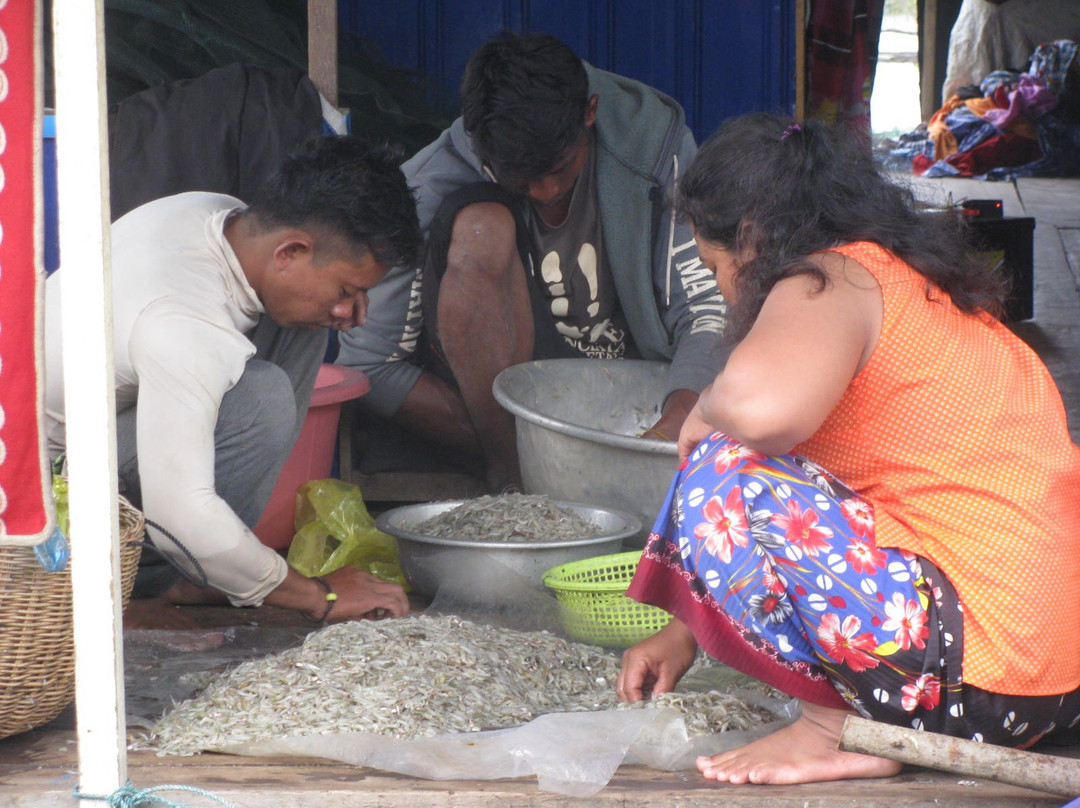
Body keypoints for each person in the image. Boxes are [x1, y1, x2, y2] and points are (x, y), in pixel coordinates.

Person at [616, 112, 1080, 786]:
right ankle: (859, 718)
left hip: (972, 679)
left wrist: (706, 406)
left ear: (750, 238)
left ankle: (831, 731)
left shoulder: (834, 276)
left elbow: (759, 414)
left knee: (725, 464)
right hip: (1046, 680)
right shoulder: (916, 286)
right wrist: (681, 631)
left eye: (715, 267)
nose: (721, 290)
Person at [44, 136, 421, 628]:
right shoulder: (184, 323)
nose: (354, 314)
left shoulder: (216, 215)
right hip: (38, 495)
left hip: (97, 430)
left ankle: (215, 573)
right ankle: (137, 592)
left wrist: (333, 300)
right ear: (291, 250)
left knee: (306, 324)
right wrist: (318, 595)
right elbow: (181, 513)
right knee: (261, 398)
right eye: (349, 291)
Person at [335, 31, 728, 492]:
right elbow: (369, 365)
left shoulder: (653, 149)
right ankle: (516, 482)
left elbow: (706, 310)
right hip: (493, 416)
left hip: (627, 400)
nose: (545, 192)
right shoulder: (428, 183)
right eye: (521, 180)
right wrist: (524, 449)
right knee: (481, 229)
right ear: (481, 148)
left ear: (590, 112)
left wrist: (677, 422)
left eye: (561, 170)